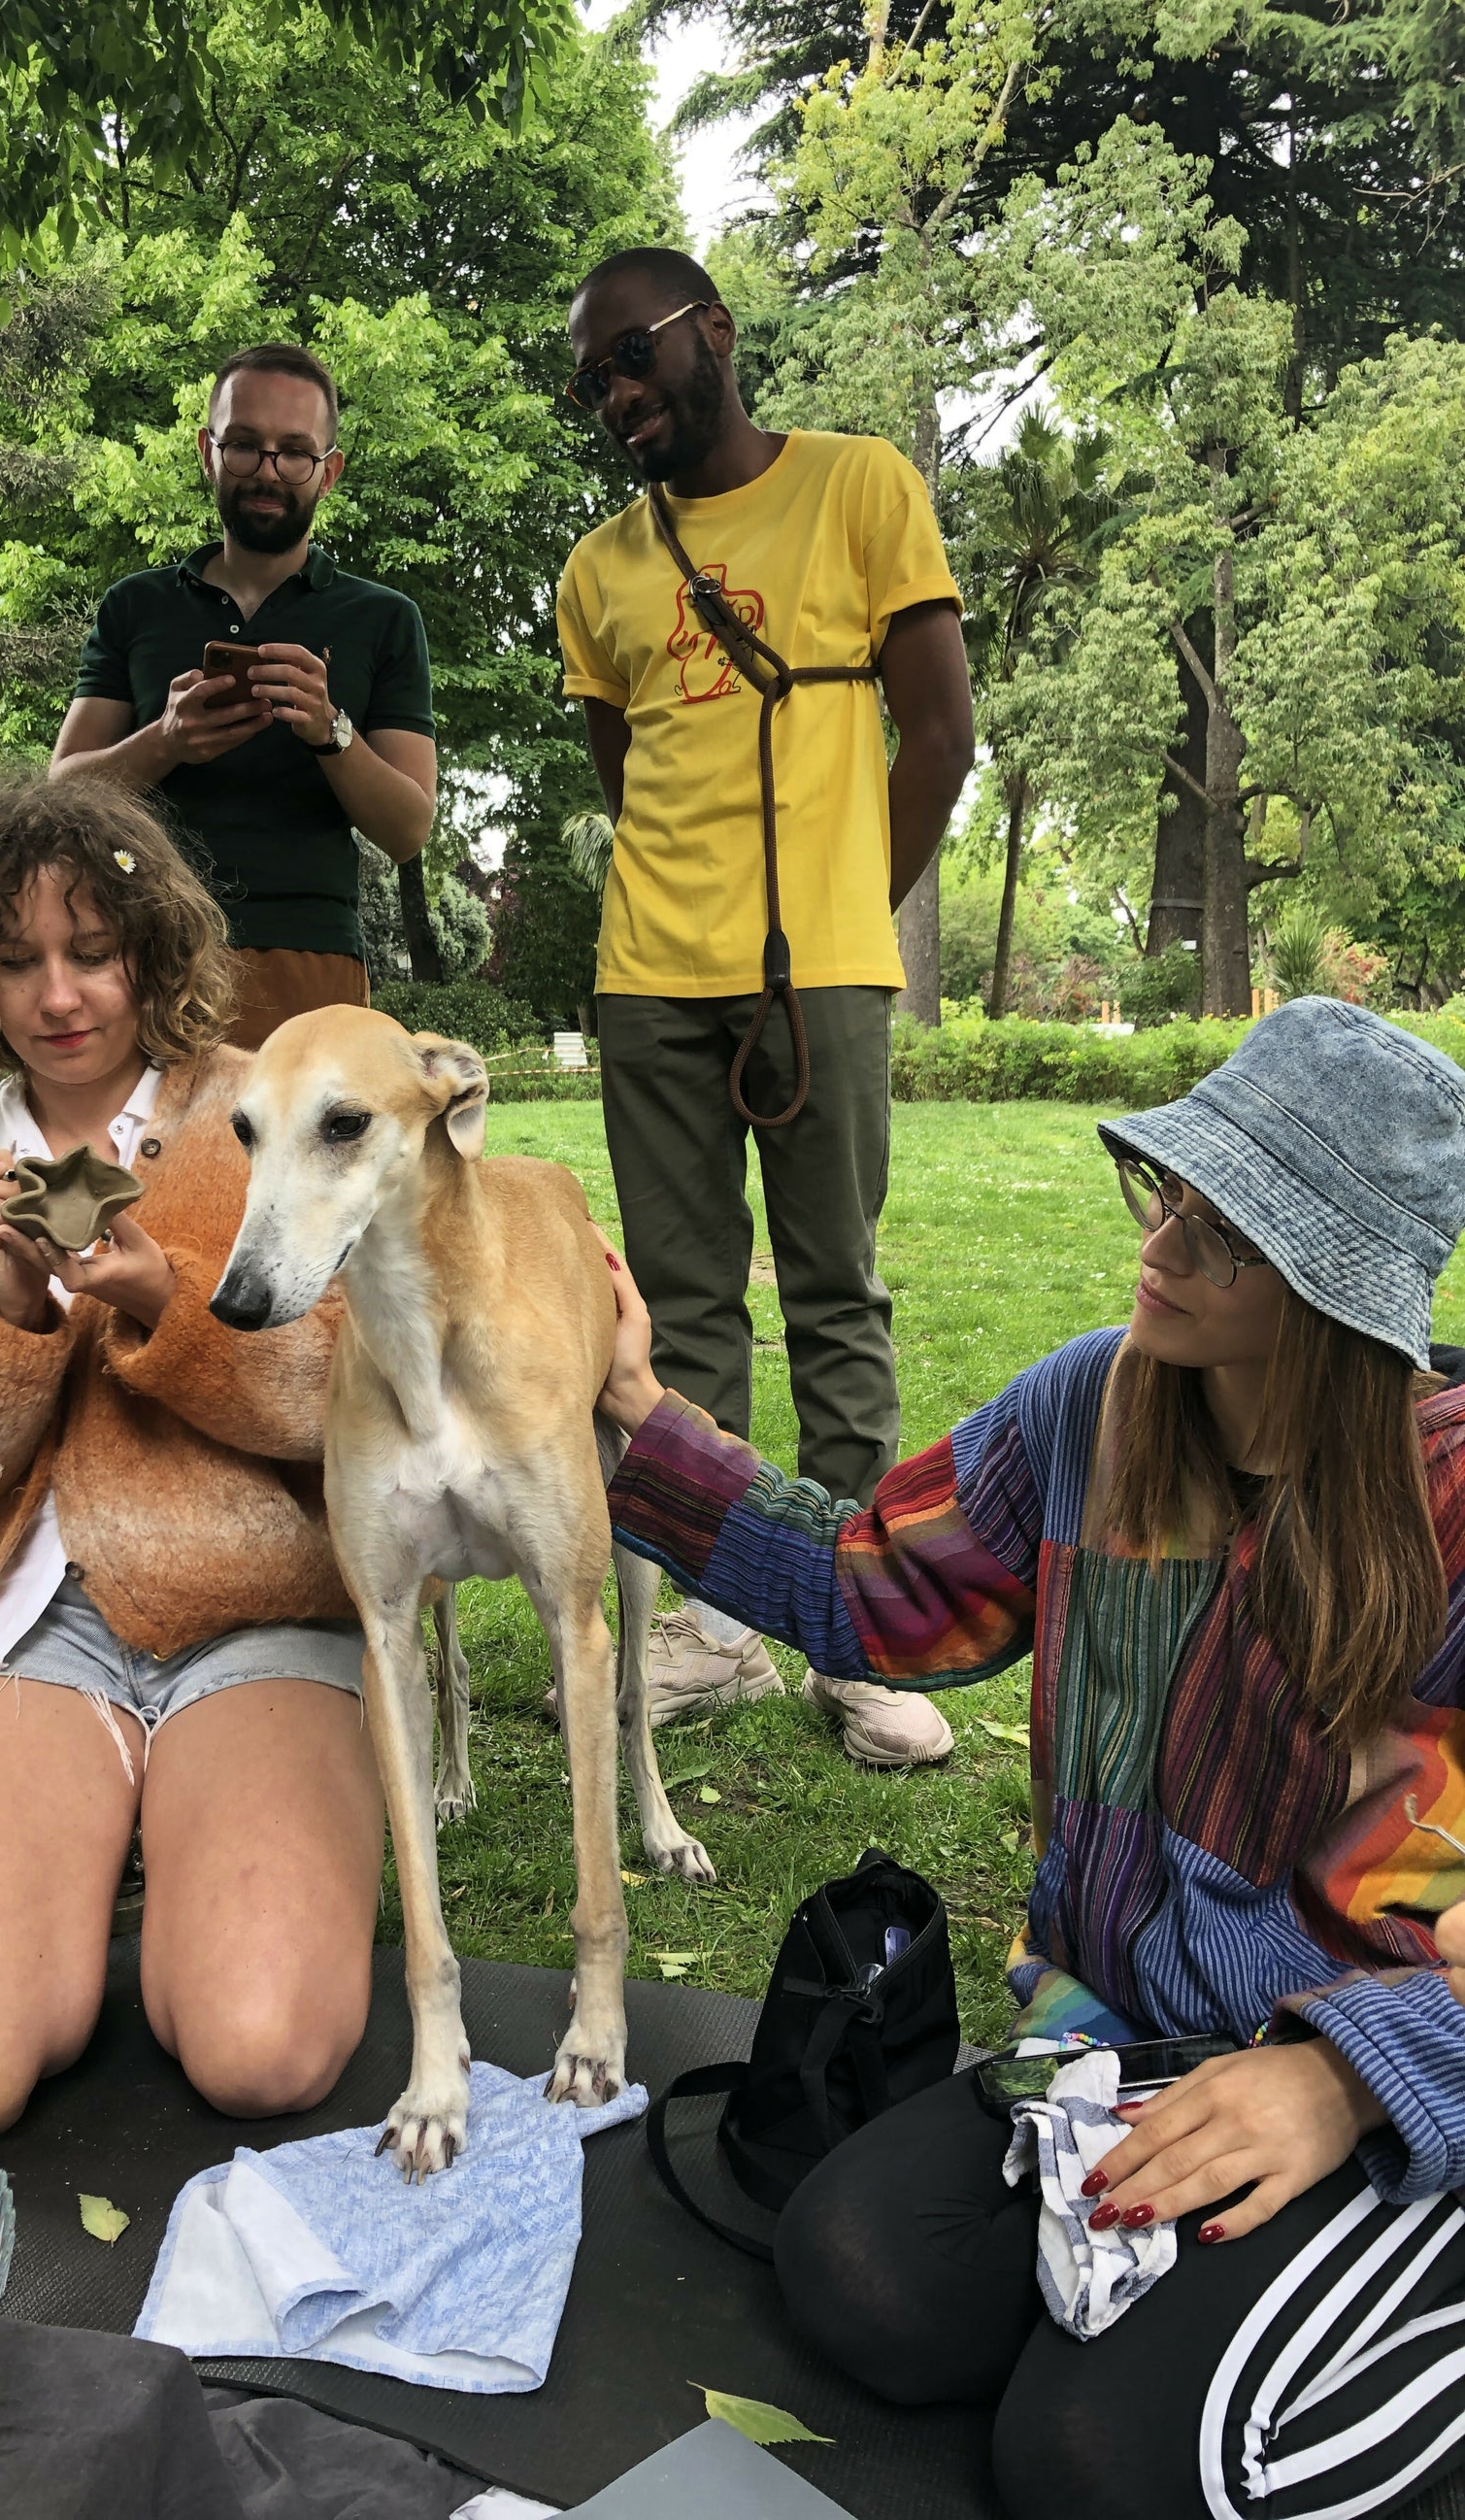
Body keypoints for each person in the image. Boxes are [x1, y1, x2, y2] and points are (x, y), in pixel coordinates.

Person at [597, 995, 1465, 2520]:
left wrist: (1346, 2079)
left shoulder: (1445, 1499)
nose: (1162, 1242)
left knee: (1096, 2462)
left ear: (1334, 1293)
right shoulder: (1089, 1406)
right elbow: (871, 1588)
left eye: (1225, 1232)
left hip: (1380, 2066)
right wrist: (633, 1413)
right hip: (1120, 2035)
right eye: (1167, 1189)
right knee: (859, 2271)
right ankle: (1185, 2299)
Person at [0, 777, 383, 2132]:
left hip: (260, 1608)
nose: (59, 994)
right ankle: (92, 1831)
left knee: (262, 2050)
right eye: (14, 960)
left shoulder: (266, 1111)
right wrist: (8, 1320)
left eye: (91, 951)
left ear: (152, 948)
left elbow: (358, 1401)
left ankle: (195, 1827)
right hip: (27, 1629)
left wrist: (167, 1306)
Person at [557, 247, 974, 1766]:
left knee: (833, 1292)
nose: (613, 392)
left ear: (711, 331)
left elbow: (938, 730)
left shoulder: (861, 486)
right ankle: (718, 1619)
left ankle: (851, 1630)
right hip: (649, 976)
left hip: (822, 973)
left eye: (630, 355)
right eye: (588, 381)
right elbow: (632, 782)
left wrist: (850, 912)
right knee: (678, 1312)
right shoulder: (595, 570)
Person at [50, 341, 437, 1050]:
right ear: (208, 452)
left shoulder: (384, 619)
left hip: (310, 956)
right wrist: (164, 741)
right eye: (245, 446)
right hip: (146, 948)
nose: (268, 470)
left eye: (295, 452)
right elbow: (61, 795)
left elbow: (409, 828)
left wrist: (330, 729)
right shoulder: (134, 607)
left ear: (329, 472)